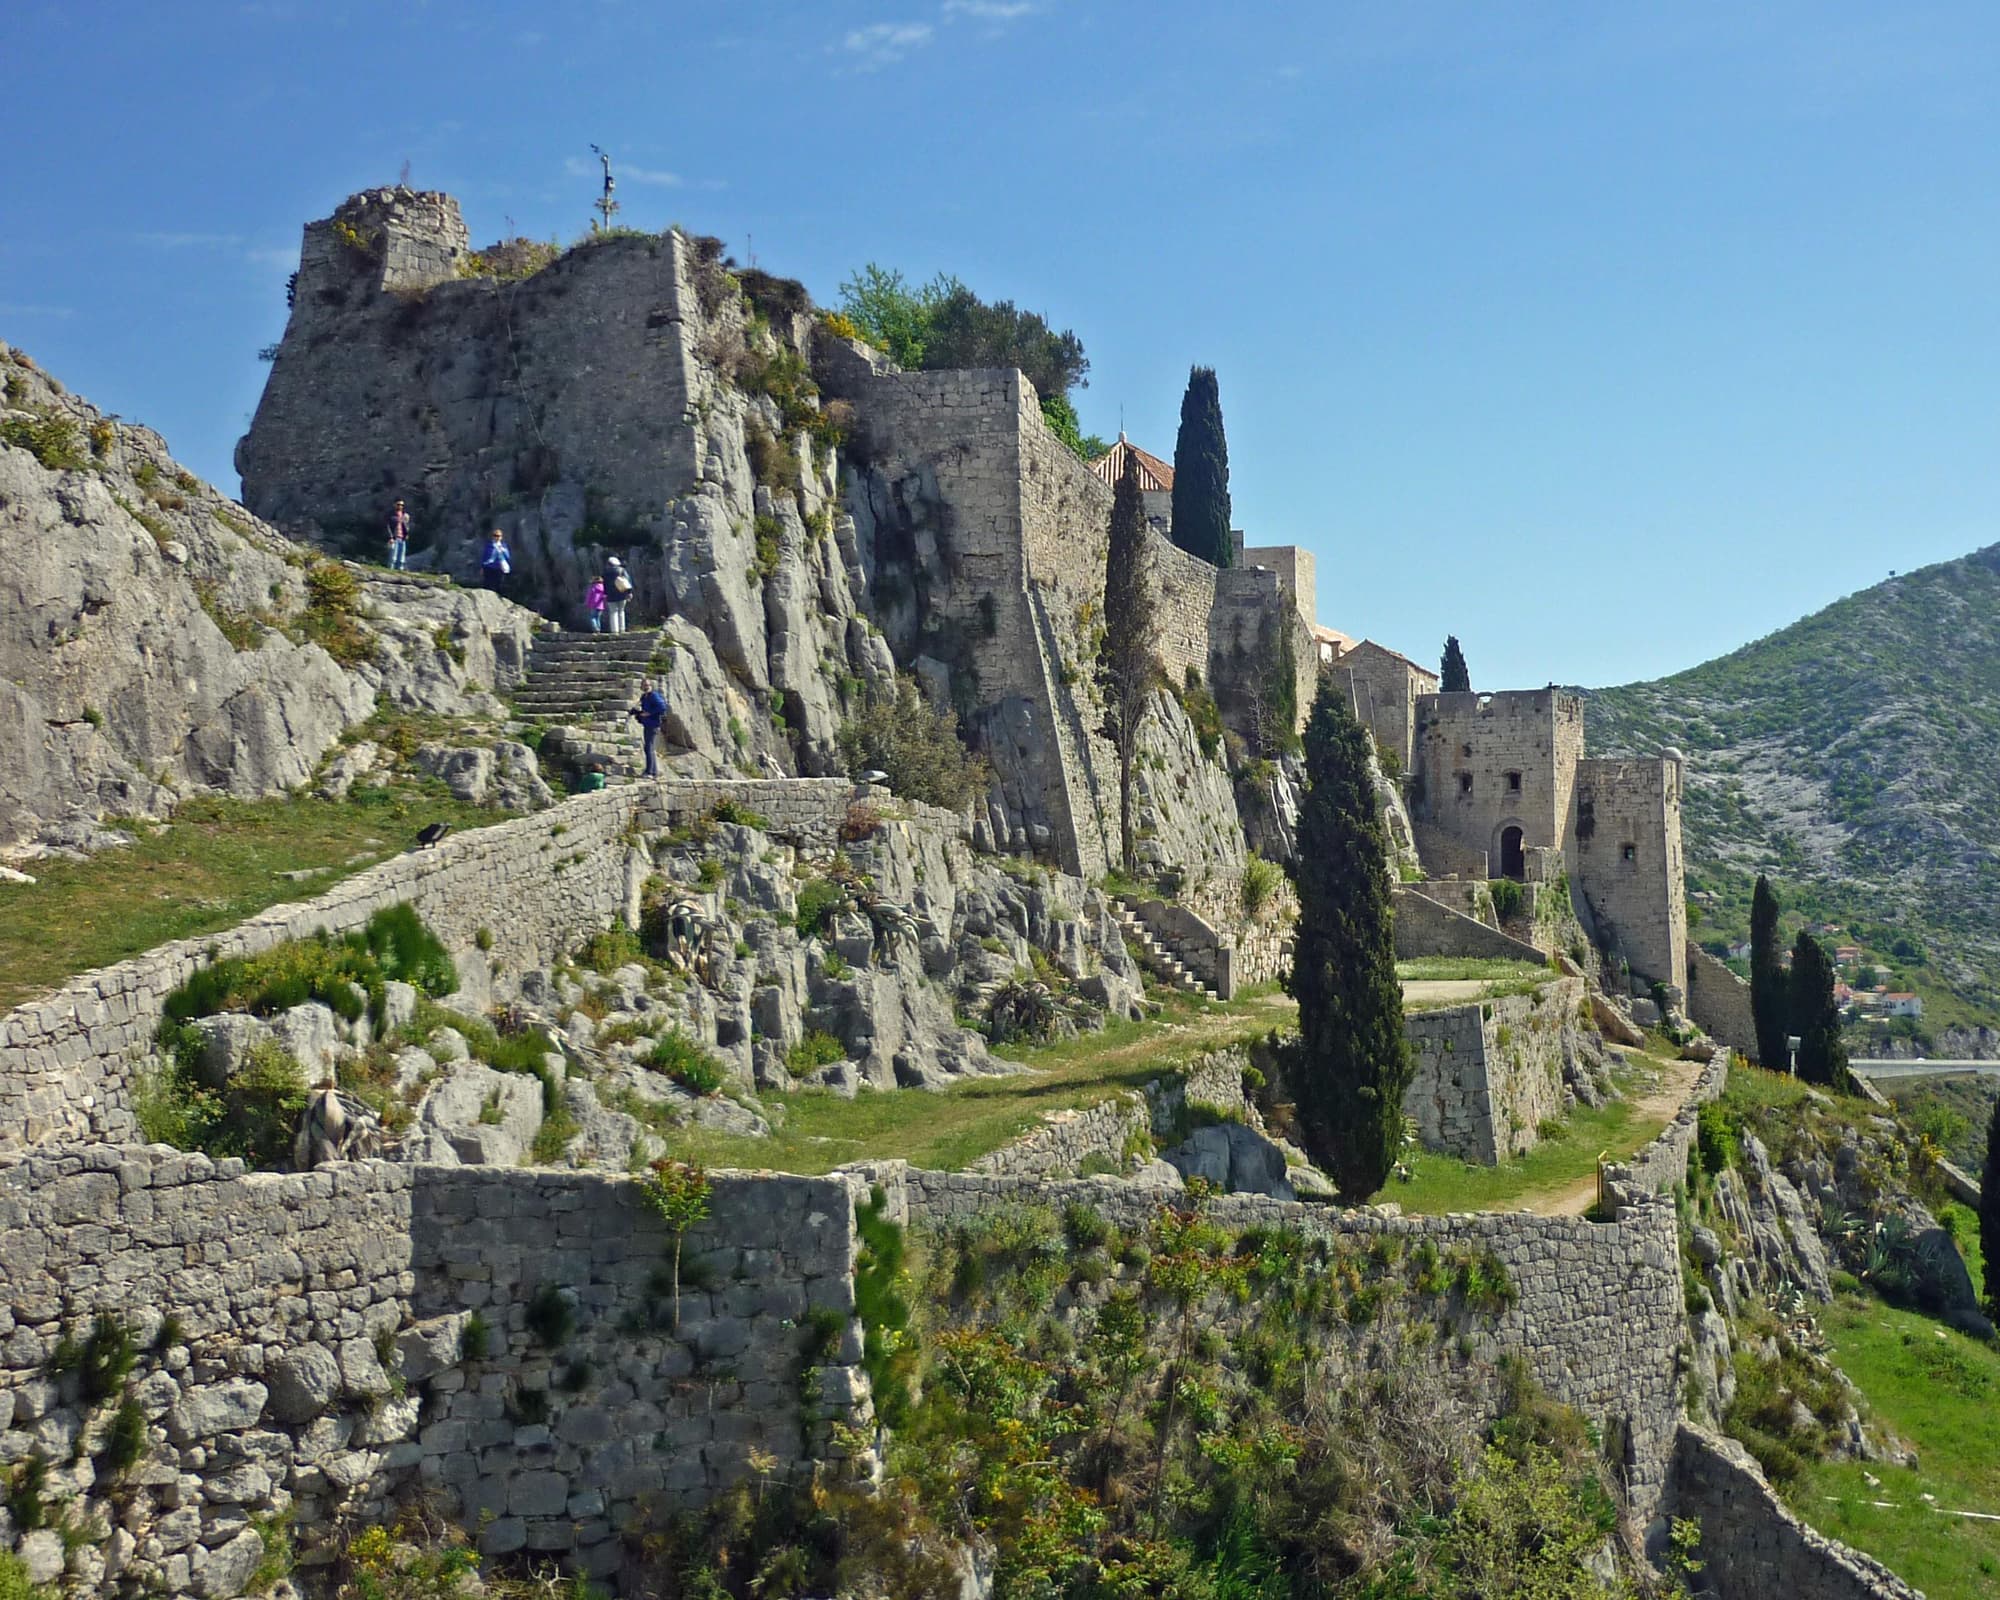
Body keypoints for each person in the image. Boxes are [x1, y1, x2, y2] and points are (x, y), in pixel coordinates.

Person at [630, 677, 668, 779]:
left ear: (651, 686)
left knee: (649, 747)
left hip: (653, 725)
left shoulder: (653, 695)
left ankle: (650, 772)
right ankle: (653, 771)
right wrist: (636, 712)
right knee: (648, 747)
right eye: (644, 685)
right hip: (647, 724)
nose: (646, 687)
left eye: (647, 685)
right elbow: (644, 710)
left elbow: (662, 707)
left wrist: (649, 713)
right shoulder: (644, 697)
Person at [604, 555, 633, 633]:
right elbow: (628, 582)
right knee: (621, 611)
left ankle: (614, 630)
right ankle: (622, 629)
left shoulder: (605, 573)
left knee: (613, 612)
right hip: (622, 593)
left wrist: (605, 594)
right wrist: (629, 592)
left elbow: (604, 585)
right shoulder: (622, 570)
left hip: (610, 595)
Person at [387, 500, 410, 571]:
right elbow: (387, 527)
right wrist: (390, 537)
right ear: (395, 505)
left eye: (402, 505)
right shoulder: (391, 515)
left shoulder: (404, 515)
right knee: (393, 556)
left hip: (402, 538)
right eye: (398, 504)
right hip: (394, 538)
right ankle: (391, 570)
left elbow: (406, 526)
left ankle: (400, 570)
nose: (400, 506)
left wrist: (406, 533)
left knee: (401, 557)